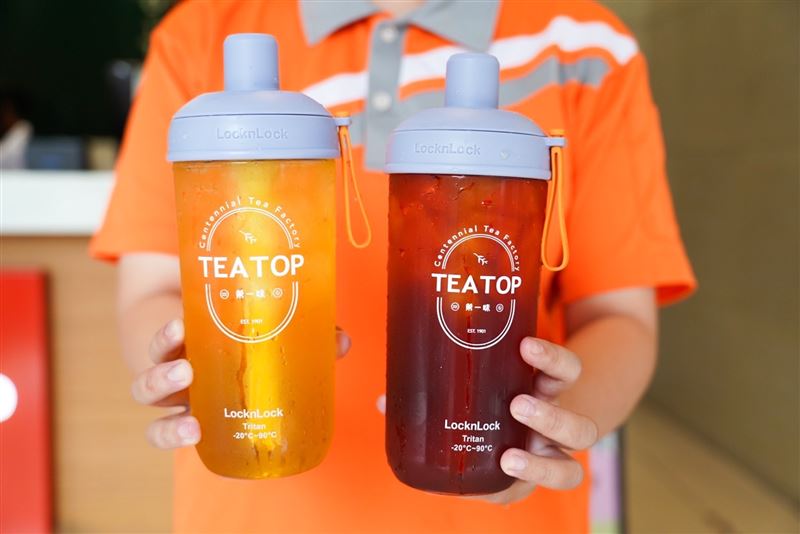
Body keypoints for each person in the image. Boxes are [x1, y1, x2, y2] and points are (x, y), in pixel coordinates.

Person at [91, 1, 696, 532]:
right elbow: (152, 289)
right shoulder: (198, 33)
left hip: (503, 510)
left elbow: (621, 317)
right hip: (249, 512)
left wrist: (551, 425)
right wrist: (188, 369)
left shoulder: (587, 45)